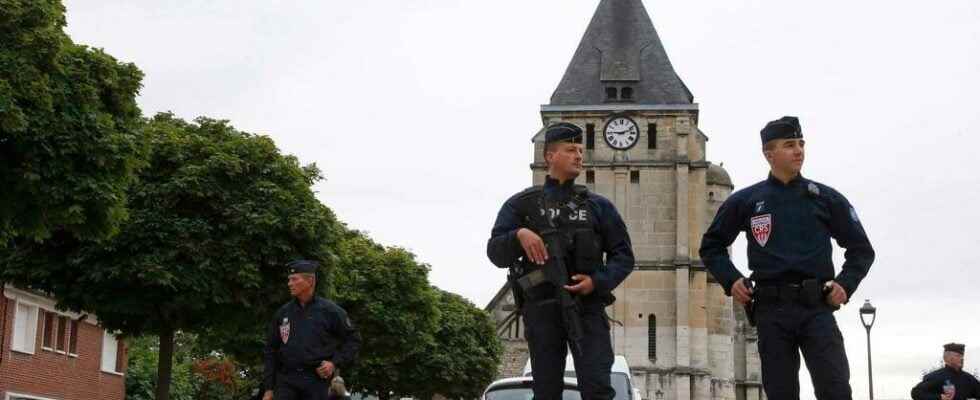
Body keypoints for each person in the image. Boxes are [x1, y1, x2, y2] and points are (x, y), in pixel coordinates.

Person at [699, 116, 875, 400]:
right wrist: (731, 280)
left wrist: (846, 283)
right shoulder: (746, 201)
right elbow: (711, 246)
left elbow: (861, 249)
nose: (799, 150)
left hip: (817, 306)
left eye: (801, 144)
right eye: (790, 145)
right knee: (780, 392)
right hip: (771, 310)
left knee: (836, 388)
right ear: (769, 154)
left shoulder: (825, 199)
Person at [487, 122, 634, 400]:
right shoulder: (521, 206)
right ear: (549, 156)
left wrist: (596, 282)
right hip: (541, 309)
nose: (579, 155)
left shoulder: (598, 206)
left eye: (580, 150)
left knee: (598, 389)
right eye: (570, 150)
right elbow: (495, 252)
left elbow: (624, 256)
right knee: (546, 392)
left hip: (587, 309)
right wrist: (519, 235)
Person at [263, 260, 361, 400]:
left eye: (294, 279)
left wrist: (334, 363)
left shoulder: (331, 311)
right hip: (286, 382)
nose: (289, 283)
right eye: (289, 280)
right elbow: (270, 350)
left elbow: (353, 340)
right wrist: (268, 389)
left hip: (317, 383)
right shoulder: (282, 313)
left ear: (310, 280)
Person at [912, 343, 980, 400]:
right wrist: (939, 397)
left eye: (962, 356)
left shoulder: (968, 378)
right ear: (947, 358)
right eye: (958, 356)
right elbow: (916, 393)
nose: (962, 358)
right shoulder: (936, 376)